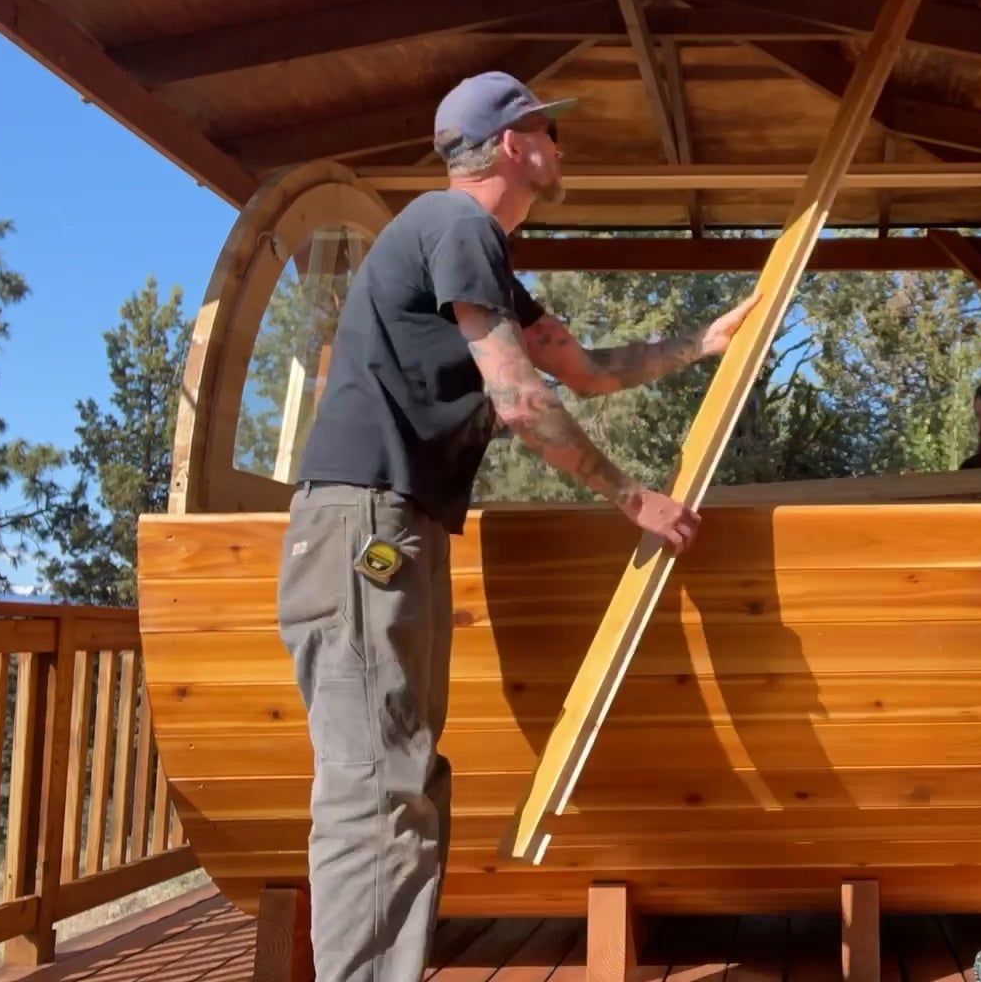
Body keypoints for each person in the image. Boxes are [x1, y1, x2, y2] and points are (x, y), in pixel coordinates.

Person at [274, 71, 758, 982]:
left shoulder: (475, 255)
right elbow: (521, 401)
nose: (560, 148)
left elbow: (582, 373)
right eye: (548, 131)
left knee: (403, 781)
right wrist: (631, 498)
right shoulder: (454, 227)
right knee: (378, 791)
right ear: (510, 145)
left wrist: (706, 343)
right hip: (363, 528)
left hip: (387, 530)